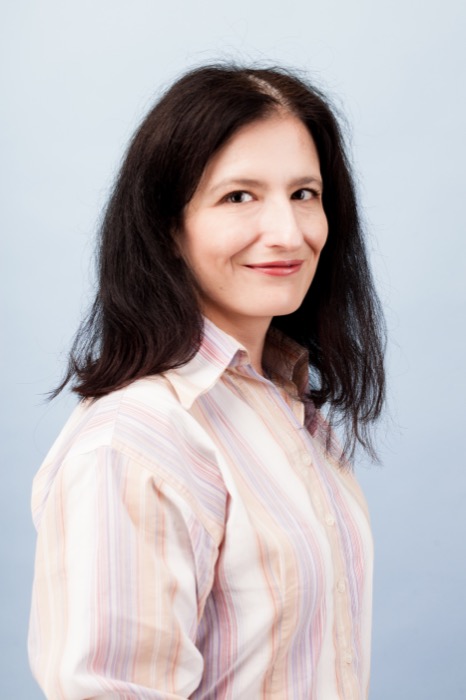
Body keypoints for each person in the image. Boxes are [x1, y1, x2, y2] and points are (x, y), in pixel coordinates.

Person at [28, 64, 385, 699]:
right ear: (169, 227)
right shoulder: (136, 442)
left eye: (304, 193)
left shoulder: (289, 408)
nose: (288, 233)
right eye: (239, 196)